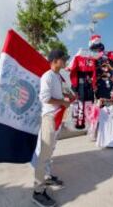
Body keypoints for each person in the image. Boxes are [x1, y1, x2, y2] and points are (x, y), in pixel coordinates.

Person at [32, 49, 73, 207]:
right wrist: (63, 102)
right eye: (63, 59)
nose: (65, 61)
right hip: (49, 118)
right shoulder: (47, 76)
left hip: (57, 118)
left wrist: (66, 98)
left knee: (50, 151)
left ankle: (47, 177)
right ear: (55, 60)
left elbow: (58, 95)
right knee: (44, 155)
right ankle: (37, 191)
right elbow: (45, 98)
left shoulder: (57, 76)